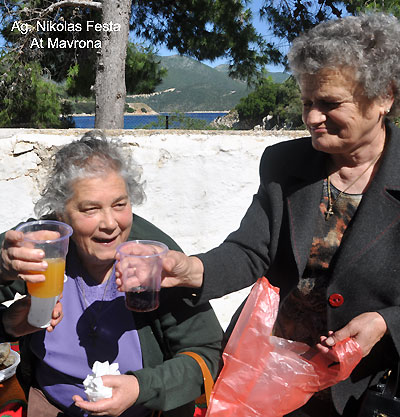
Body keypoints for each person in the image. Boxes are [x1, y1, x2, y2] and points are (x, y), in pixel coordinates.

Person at [156, 13, 400, 416]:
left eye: (329, 103)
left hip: (364, 387)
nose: (312, 118)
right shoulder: (283, 164)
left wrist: (385, 324)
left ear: (385, 96)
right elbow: (252, 251)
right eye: (307, 102)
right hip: (268, 375)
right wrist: (191, 268)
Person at [0, 130, 223, 417]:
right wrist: (6, 319)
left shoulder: (156, 260)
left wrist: (141, 388)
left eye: (120, 205)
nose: (109, 223)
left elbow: (205, 354)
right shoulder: (43, 246)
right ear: (60, 214)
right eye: (90, 209)